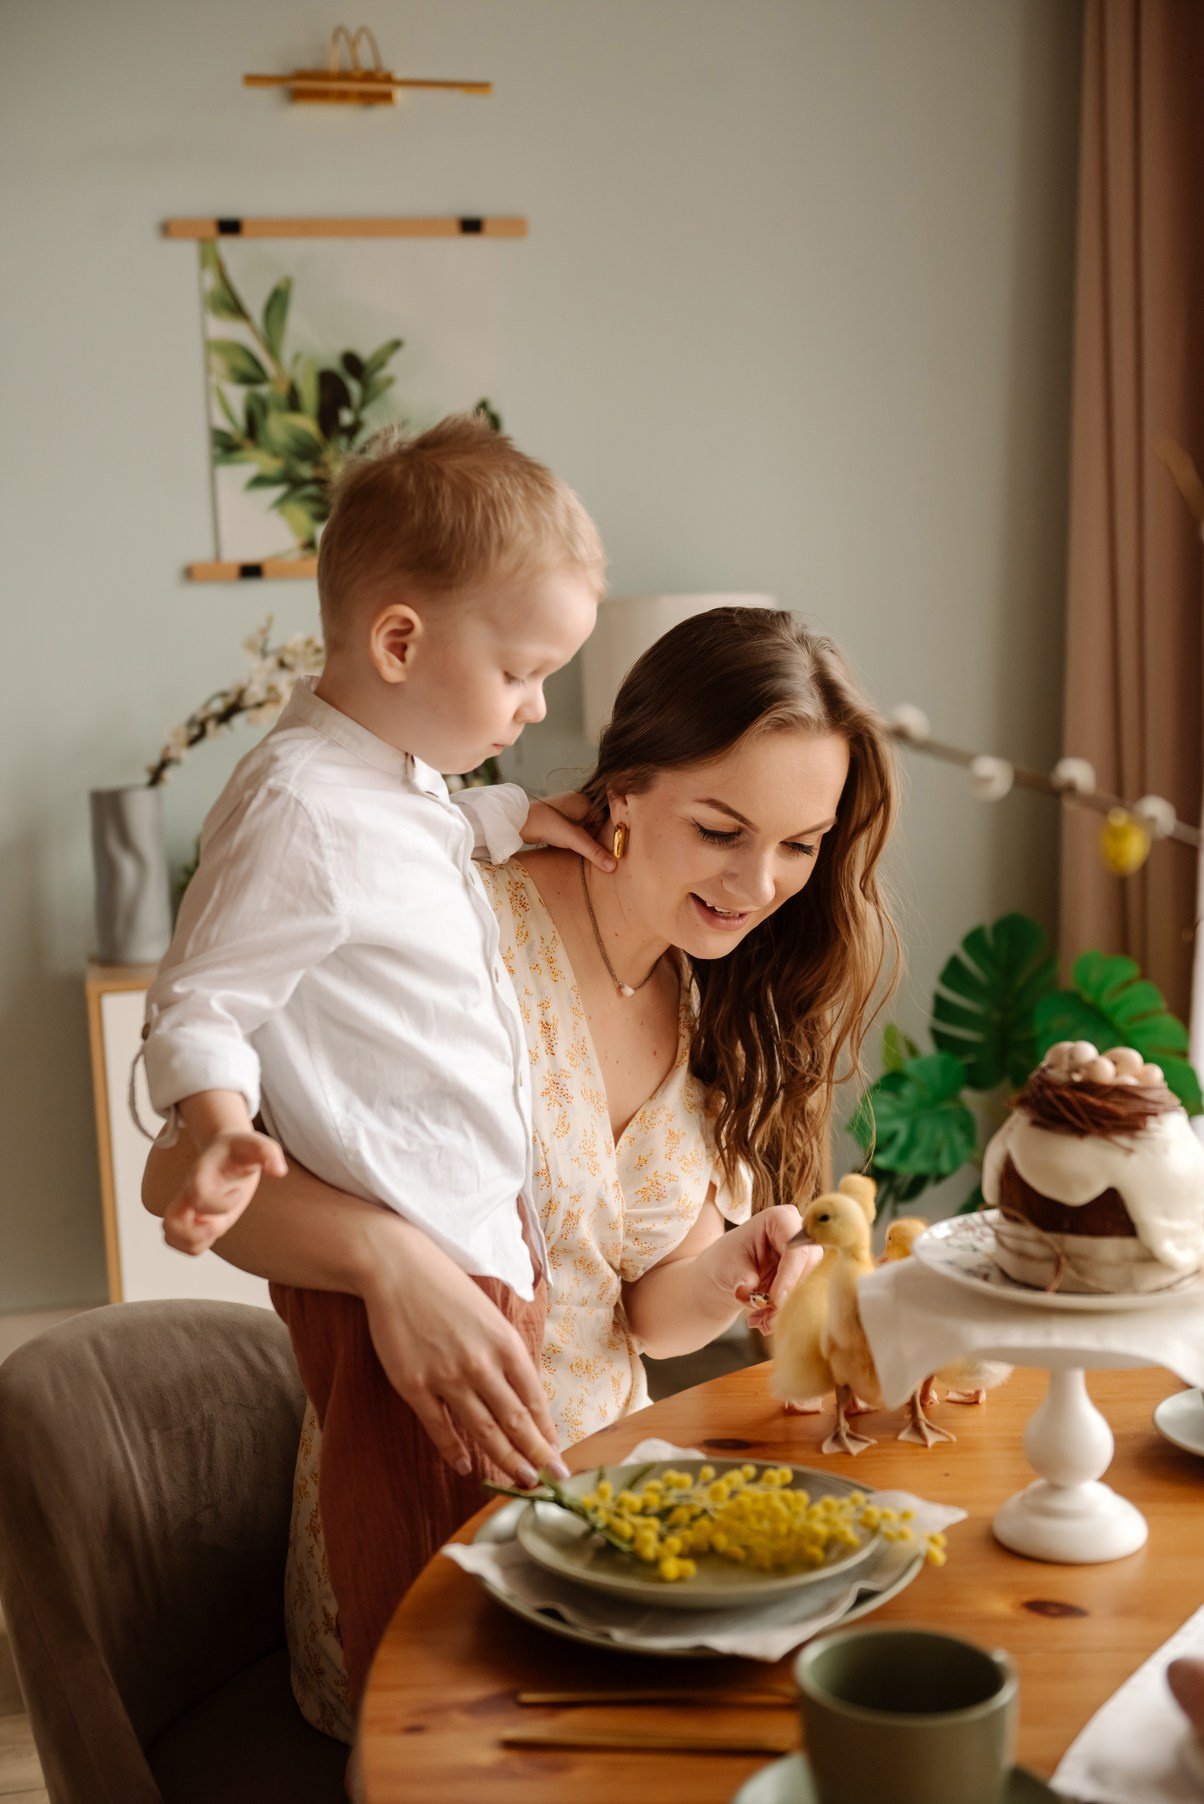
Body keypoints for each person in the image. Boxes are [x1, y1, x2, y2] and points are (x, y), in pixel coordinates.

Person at [143, 604, 900, 1742]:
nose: (758, 881)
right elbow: (178, 1177)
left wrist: (730, 1270)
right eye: (720, 829)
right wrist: (387, 1258)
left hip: (607, 1515)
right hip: (412, 1503)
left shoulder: (726, 996)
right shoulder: (453, 916)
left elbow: (639, 1313)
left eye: (801, 845)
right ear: (626, 787)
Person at [142, 412, 620, 1518]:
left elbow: (415, 844)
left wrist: (511, 815)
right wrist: (221, 1124)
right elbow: (200, 1003)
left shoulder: (395, 782)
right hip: (400, 1277)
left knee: (502, 1540)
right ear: (399, 643)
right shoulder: (296, 806)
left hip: (477, 1243)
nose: (538, 705)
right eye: (521, 672)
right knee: (422, 1562)